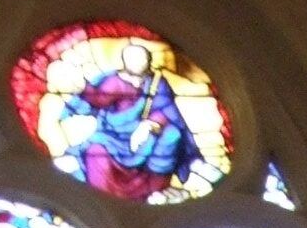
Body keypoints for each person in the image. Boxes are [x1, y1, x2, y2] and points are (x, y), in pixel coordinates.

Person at [48, 36, 199, 201]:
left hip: (147, 136)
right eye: (133, 59)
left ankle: (155, 189)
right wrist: (79, 89)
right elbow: (95, 101)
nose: (138, 63)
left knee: (172, 135)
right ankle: (101, 199)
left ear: (148, 61)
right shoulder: (113, 81)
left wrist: (150, 125)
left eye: (141, 59)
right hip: (113, 136)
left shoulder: (156, 82)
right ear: (124, 61)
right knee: (96, 151)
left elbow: (166, 109)